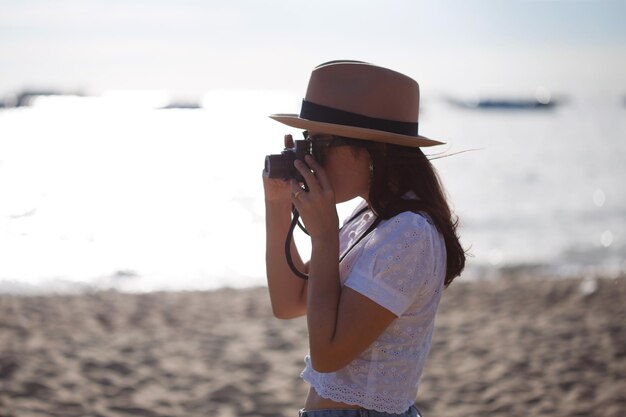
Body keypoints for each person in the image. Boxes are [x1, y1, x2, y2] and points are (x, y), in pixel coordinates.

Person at [263, 60, 465, 417]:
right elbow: (288, 302)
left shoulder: (410, 235)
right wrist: (277, 203)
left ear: (374, 150)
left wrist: (325, 236)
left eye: (320, 143)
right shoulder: (370, 218)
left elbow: (327, 356)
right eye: (307, 142)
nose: (310, 157)